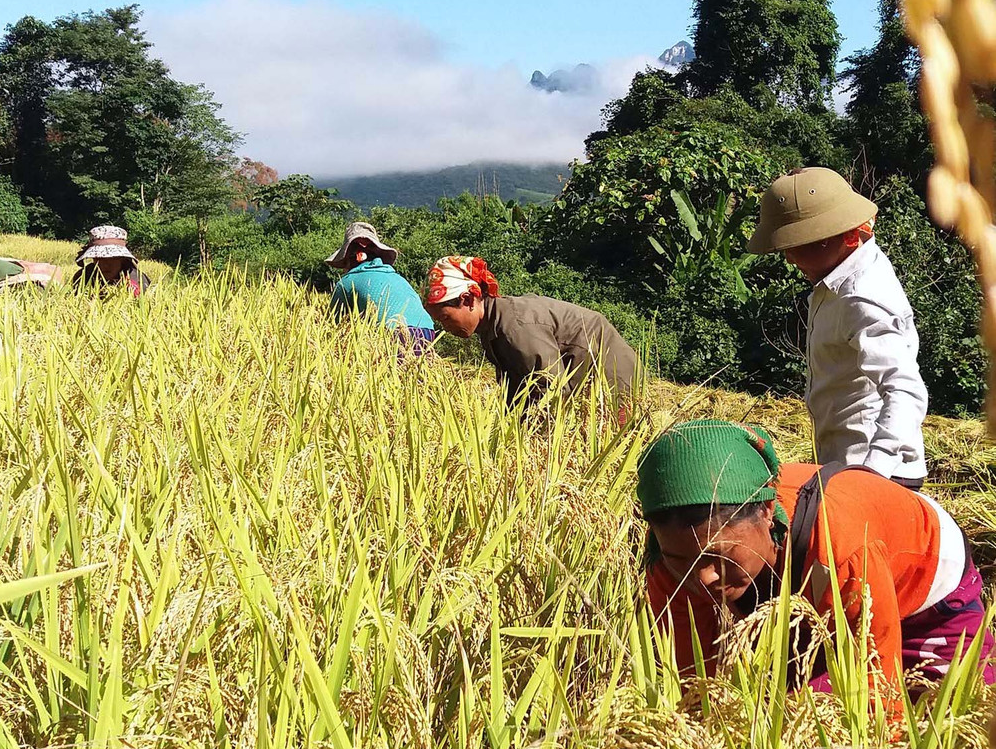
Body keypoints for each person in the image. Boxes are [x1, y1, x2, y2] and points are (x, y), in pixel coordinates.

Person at [637, 419, 993, 704]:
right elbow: (692, 679)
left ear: (765, 511)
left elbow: (878, 693)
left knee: (962, 709)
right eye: (682, 560)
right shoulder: (669, 556)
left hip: (924, 585)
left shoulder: (840, 547)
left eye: (720, 556)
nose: (704, 577)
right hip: (809, 589)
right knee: (788, 705)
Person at [749, 167, 928, 488]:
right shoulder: (837, 277)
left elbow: (906, 389)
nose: (789, 258)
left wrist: (873, 471)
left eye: (798, 245)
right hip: (843, 464)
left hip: (878, 473)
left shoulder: (863, 297)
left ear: (847, 236)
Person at [423, 255, 640, 413]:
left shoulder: (514, 327)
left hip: (610, 370)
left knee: (614, 441)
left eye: (445, 318)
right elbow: (517, 388)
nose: (445, 328)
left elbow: (552, 390)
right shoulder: (490, 328)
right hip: (579, 375)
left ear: (468, 300)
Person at [324, 222, 436, 354]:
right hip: (427, 331)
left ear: (352, 258)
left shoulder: (347, 282)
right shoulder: (397, 278)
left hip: (393, 333)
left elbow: (334, 326)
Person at [71, 226, 146, 296]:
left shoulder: (136, 281)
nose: (105, 265)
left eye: (112, 259)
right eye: (99, 259)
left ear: (122, 259)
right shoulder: (84, 276)